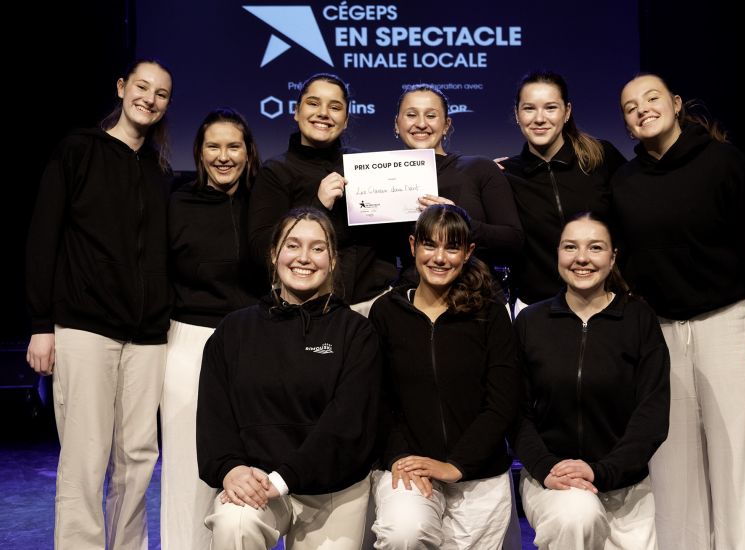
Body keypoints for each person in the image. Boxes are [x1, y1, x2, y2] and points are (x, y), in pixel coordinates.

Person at [613, 73, 745, 550]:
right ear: (626, 124)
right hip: (662, 333)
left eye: (651, 98)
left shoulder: (725, 163)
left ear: (676, 103)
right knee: (672, 467)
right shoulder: (624, 182)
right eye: (630, 107)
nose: (642, 109)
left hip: (728, 324)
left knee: (740, 463)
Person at [25, 59, 173, 549]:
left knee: (138, 456)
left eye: (162, 94)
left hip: (148, 335)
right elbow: (43, 238)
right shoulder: (78, 150)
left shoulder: (158, 169)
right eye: (142, 87)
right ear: (121, 87)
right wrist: (41, 323)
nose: (149, 99)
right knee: (86, 458)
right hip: (85, 328)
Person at [197, 207, 381, 550]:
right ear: (274, 254)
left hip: (334, 490)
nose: (304, 258)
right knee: (232, 523)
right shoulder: (233, 331)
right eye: (293, 245)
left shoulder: (356, 332)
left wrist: (286, 478)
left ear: (333, 260)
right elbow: (214, 416)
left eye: (317, 248)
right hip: (258, 482)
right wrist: (230, 469)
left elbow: (348, 422)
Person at [511, 212, 669, 550]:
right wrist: (548, 468)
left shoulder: (638, 319)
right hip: (554, 481)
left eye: (595, 248)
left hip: (627, 487)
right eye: (571, 247)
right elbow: (515, 412)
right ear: (558, 255)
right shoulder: (530, 322)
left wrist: (602, 471)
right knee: (576, 516)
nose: (581, 258)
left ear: (612, 259)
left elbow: (651, 415)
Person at [369, 204, 520, 549]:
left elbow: (502, 402)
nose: (439, 258)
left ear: (468, 252)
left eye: (452, 247)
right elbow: (378, 400)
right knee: (403, 534)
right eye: (429, 245)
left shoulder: (491, 313)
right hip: (411, 466)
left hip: (478, 470)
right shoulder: (386, 312)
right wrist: (399, 457)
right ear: (412, 246)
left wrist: (455, 465)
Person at [161, 107, 265, 550]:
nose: (224, 156)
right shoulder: (177, 202)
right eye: (213, 146)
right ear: (200, 153)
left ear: (248, 152)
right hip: (190, 339)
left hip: (256, 340)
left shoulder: (265, 201)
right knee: (187, 469)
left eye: (233, 146)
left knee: (256, 466)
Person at [249, 73, 399, 315]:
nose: (323, 113)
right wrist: (317, 206)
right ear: (297, 111)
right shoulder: (275, 171)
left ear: (346, 119)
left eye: (335, 107)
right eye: (313, 103)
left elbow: (391, 241)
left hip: (372, 305)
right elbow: (260, 251)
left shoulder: (365, 165)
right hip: (306, 309)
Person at [500, 70, 626, 314]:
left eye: (550, 108)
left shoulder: (600, 157)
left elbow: (635, 218)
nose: (539, 118)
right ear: (517, 114)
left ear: (567, 112)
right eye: (529, 109)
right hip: (538, 310)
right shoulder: (505, 175)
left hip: (606, 303)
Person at [394, 85, 523, 292]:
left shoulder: (480, 169)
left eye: (431, 115)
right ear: (396, 124)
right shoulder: (381, 180)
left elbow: (513, 241)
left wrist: (461, 221)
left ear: (446, 124)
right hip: (412, 302)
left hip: (477, 299)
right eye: (411, 115)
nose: (420, 124)